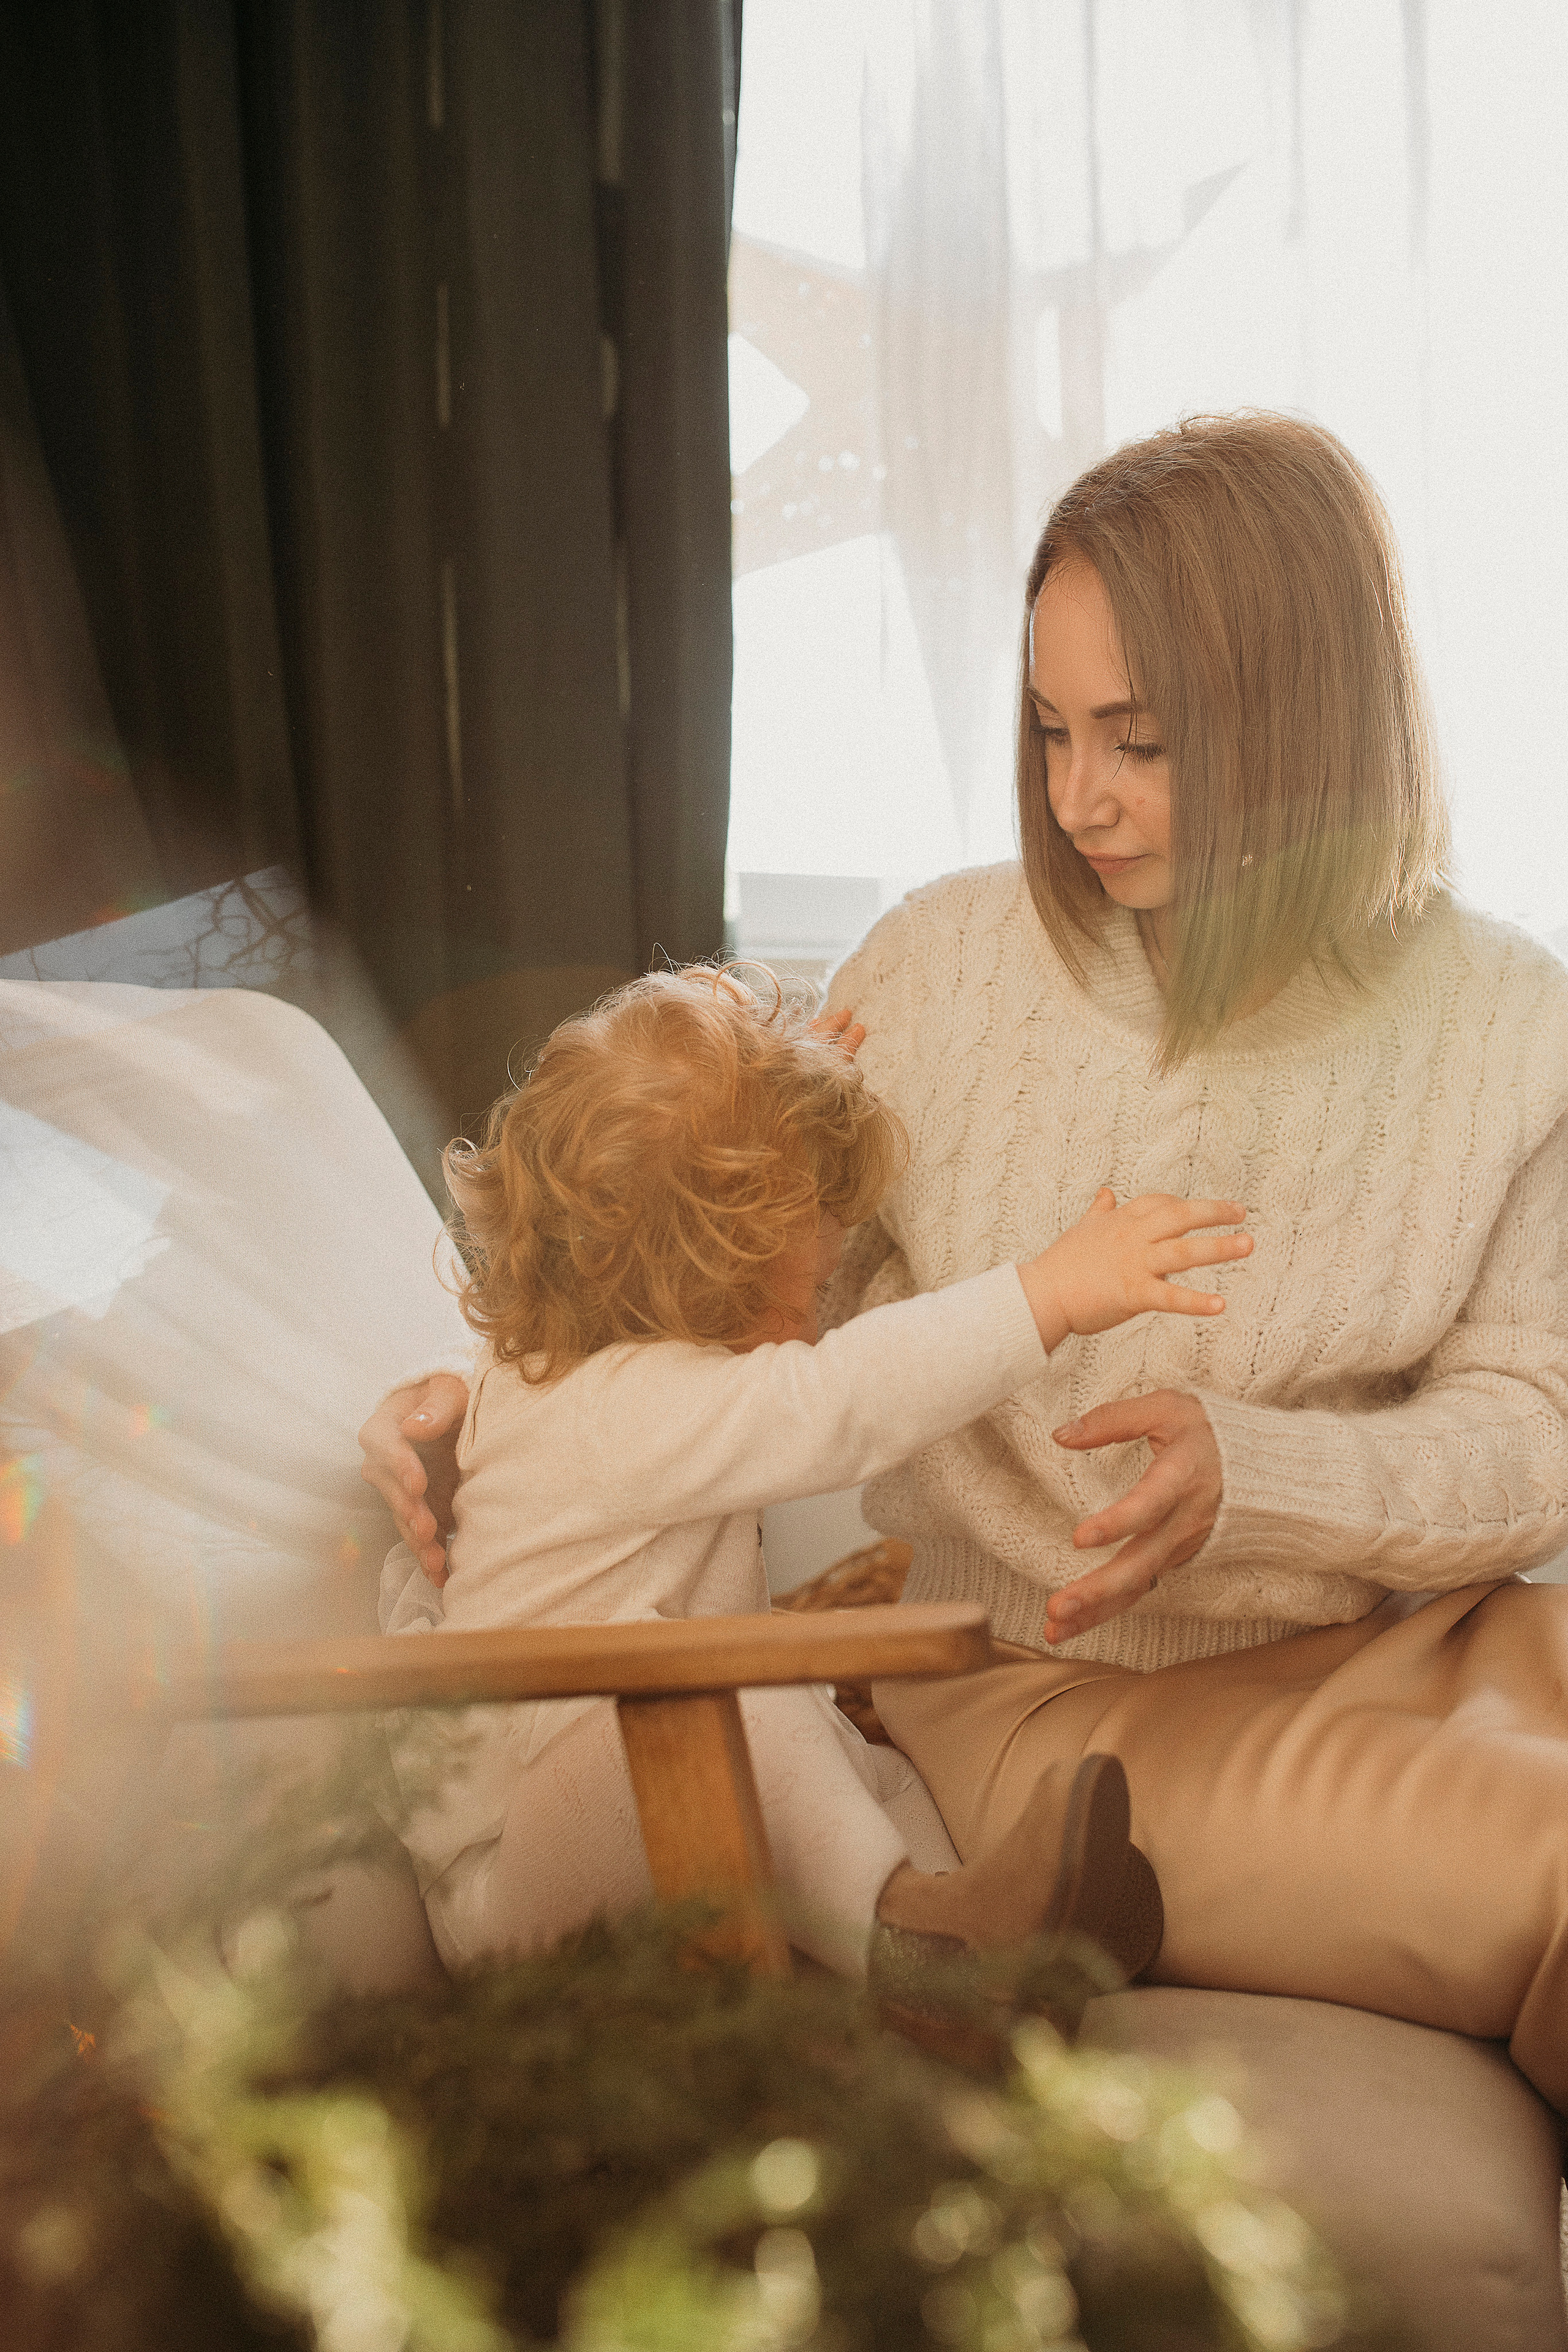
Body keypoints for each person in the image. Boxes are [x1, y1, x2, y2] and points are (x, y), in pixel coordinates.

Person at [363, 411, 1568, 2111]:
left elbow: (1539, 1419)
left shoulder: (1514, 1025)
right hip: (1040, 1693)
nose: (1078, 797)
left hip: (1429, 1632)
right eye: (1053, 728)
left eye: (1139, 742)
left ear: (1303, 724)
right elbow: (729, 1321)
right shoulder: (929, 975)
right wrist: (496, 1399)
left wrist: (1264, 1476)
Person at [375, 965, 1251, 2003]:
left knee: (854, 1758)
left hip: (631, 1808)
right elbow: (847, 1399)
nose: (824, 1296)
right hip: (522, 1882)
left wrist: (777, 1091)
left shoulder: (556, 1377)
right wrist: (1051, 1293)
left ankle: (964, 1941)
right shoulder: (625, 1411)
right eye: (805, 1277)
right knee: (732, 1698)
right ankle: (918, 1955)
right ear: (698, 1277)